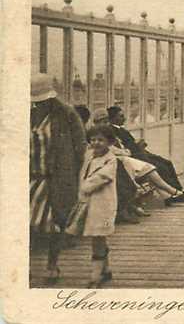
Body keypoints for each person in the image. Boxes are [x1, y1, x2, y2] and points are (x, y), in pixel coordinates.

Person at [30, 73, 86, 284]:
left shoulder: (66, 114)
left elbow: (80, 146)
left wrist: (71, 173)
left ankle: (52, 264)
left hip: (56, 178)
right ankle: (23, 266)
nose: (39, 105)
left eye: (42, 101)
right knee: (27, 222)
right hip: (31, 177)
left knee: (56, 222)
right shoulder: (24, 114)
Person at [107, 106, 184, 201]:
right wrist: (136, 145)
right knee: (160, 167)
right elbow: (123, 147)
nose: (124, 118)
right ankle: (173, 194)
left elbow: (129, 143)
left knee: (167, 163)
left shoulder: (121, 129)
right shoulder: (112, 131)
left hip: (141, 153)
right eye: (121, 116)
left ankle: (178, 190)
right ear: (112, 118)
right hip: (136, 156)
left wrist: (138, 144)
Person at [72, 124, 119, 288]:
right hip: (88, 203)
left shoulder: (111, 160)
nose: (96, 143)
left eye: (101, 140)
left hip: (102, 204)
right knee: (98, 236)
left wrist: (84, 186)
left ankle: (95, 276)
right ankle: (105, 269)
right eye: (93, 139)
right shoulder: (89, 156)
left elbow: (101, 177)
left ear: (110, 142)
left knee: (98, 236)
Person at [91, 108, 146, 223]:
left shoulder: (105, 133)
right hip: (96, 164)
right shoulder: (95, 134)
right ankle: (123, 210)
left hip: (108, 160)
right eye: (103, 122)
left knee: (123, 169)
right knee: (119, 176)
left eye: (107, 122)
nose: (106, 124)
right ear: (96, 122)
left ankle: (128, 206)